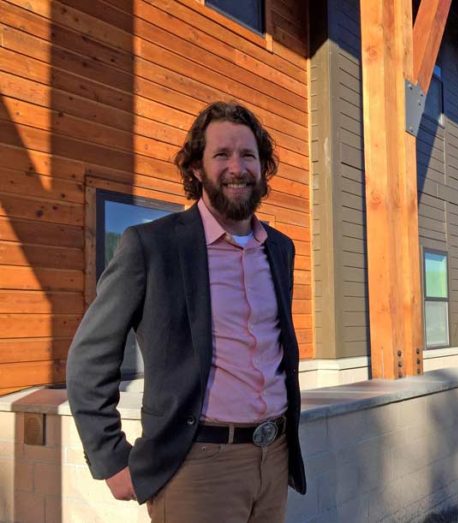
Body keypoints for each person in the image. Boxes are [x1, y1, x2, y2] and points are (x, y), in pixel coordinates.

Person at [66, 101, 306, 522]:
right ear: (196, 169)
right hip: (197, 467)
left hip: (274, 459)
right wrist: (110, 458)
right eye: (222, 155)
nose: (237, 167)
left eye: (248, 155)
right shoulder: (152, 246)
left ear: (262, 167)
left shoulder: (279, 249)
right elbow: (89, 357)